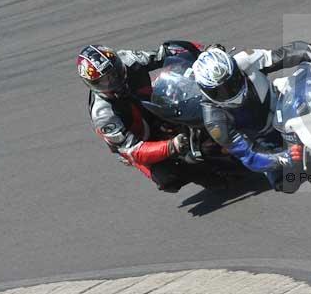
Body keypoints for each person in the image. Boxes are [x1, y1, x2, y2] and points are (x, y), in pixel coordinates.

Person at [192, 41, 311, 193]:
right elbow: (248, 155)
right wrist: (283, 157)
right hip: (264, 141)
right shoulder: (215, 122)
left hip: (284, 101)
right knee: (287, 183)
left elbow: (288, 52)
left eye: (232, 82)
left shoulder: (245, 59)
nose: (230, 91)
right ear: (205, 91)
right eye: (220, 91)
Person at [77, 43, 214, 193]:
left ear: (118, 64)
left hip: (154, 105)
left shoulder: (128, 59)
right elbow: (132, 150)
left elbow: (164, 53)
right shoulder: (102, 114)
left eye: (113, 73)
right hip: (141, 139)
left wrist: (203, 52)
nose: (111, 82)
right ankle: (208, 174)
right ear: (91, 84)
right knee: (168, 178)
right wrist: (171, 146)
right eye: (103, 81)